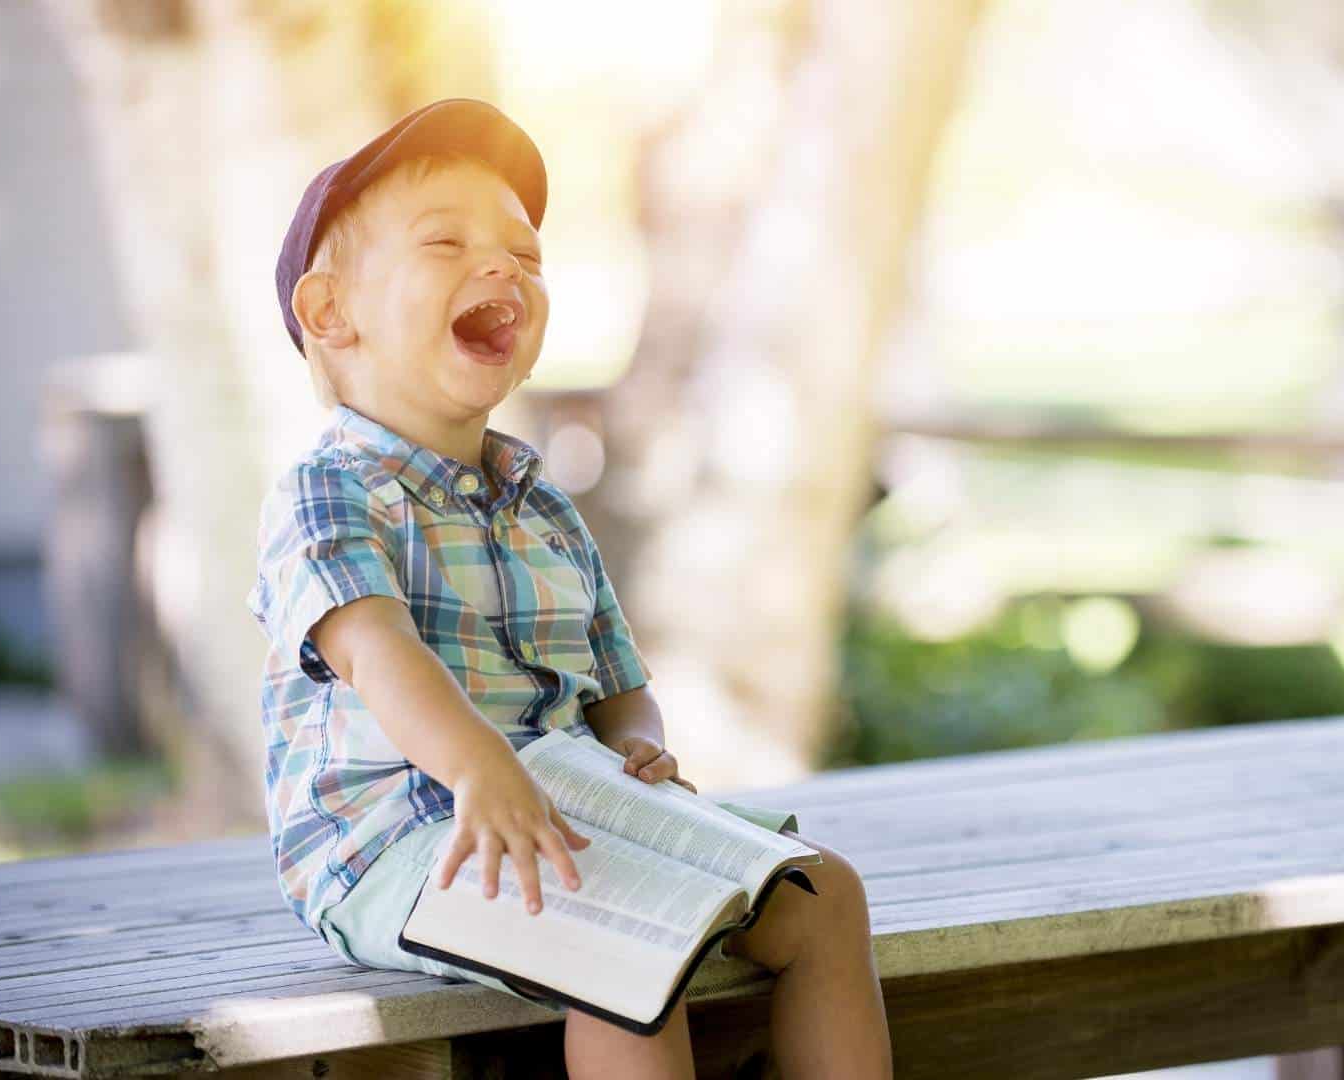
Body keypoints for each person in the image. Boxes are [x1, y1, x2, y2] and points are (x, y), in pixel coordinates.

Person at [248, 98, 891, 1078]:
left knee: (822, 896)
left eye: (526, 253)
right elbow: (377, 651)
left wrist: (640, 741)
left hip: (562, 801)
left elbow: (615, 678)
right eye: (446, 241)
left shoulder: (538, 499)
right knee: (630, 939)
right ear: (333, 312)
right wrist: (478, 768)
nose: (503, 265)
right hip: (393, 842)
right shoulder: (328, 490)